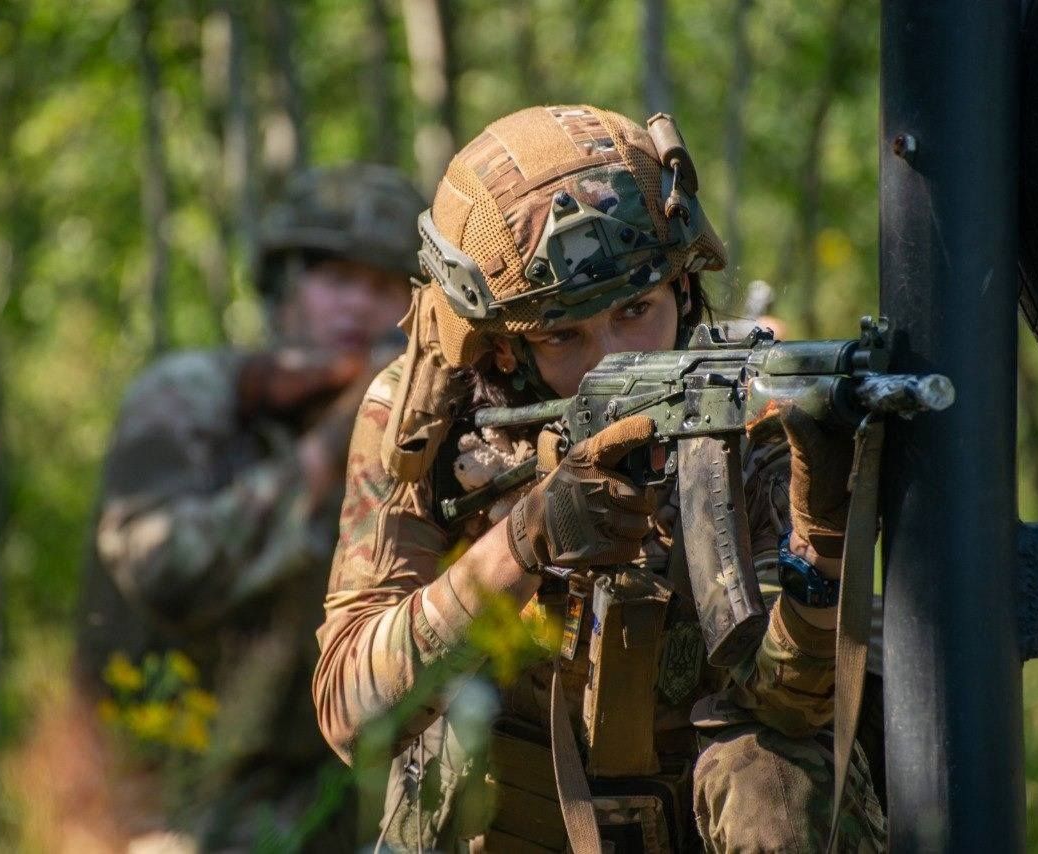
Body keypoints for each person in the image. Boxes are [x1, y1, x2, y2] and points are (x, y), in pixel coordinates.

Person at [313, 106, 887, 851]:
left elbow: (793, 700)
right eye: (563, 335)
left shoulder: (746, 403)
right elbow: (351, 716)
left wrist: (826, 534)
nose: (610, 358)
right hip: (513, 811)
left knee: (772, 774)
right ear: (506, 351)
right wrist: (524, 542)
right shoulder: (427, 419)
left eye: (636, 310)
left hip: (708, 807)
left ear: (683, 289)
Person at [71, 163, 425, 851]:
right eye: (336, 278)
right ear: (285, 287)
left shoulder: (413, 433)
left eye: (384, 286)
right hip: (160, 804)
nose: (359, 305)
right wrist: (334, 442)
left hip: (326, 806)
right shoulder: (193, 395)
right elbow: (168, 570)